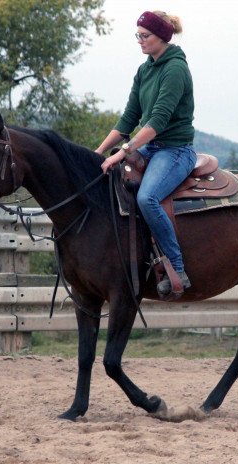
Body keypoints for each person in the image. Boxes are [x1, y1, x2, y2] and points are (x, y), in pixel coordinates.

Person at [95, 10, 196, 296]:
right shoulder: (144, 69)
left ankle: (177, 268)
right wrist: (99, 151)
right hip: (150, 147)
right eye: (137, 35)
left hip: (174, 150)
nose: (139, 41)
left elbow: (157, 122)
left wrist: (120, 153)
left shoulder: (175, 69)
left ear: (162, 36)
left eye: (144, 36)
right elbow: (129, 119)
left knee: (147, 198)